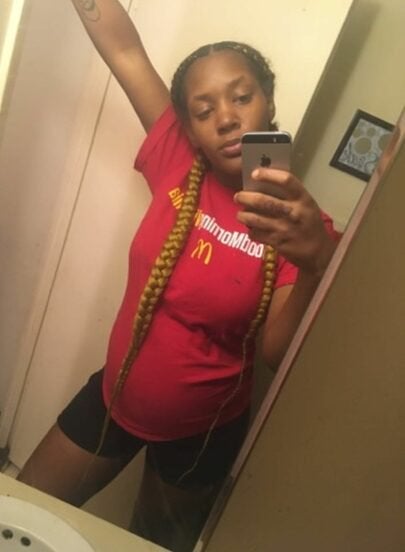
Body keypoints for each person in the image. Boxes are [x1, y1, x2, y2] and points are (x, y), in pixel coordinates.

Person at [18, 1, 337, 550]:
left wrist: (314, 266)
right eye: (204, 109)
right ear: (188, 127)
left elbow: (275, 354)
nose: (226, 118)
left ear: (268, 101)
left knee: (152, 543)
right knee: (22, 509)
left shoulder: (301, 227)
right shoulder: (175, 160)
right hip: (114, 395)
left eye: (241, 97)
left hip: (203, 436)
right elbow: (123, 49)